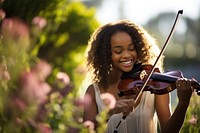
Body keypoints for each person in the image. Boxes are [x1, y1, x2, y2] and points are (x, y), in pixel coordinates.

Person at [83, 20, 195, 133]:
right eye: (118, 51)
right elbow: (86, 131)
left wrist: (183, 104)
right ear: (105, 54)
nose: (127, 55)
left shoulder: (154, 84)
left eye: (132, 49)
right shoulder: (93, 91)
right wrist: (109, 113)